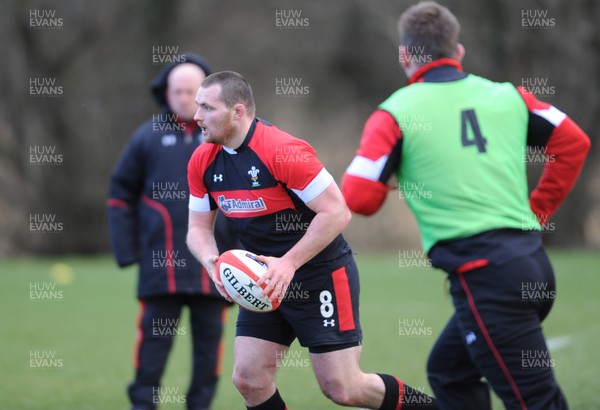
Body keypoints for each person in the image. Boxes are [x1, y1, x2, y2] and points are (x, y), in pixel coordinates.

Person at [342, 2, 591, 409]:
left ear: (405, 56)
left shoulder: (395, 112)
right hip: (530, 266)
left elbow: (357, 198)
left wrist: (395, 177)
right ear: (458, 52)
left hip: (488, 280)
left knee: (537, 403)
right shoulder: (508, 96)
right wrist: (538, 212)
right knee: (449, 372)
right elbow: (573, 142)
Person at [186, 71, 437, 410]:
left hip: (320, 275)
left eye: (206, 107)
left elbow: (337, 212)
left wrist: (289, 263)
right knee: (249, 379)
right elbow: (198, 229)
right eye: (197, 107)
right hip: (263, 280)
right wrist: (212, 262)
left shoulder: (282, 151)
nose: (196, 116)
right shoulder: (202, 161)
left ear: (238, 111)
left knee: (343, 388)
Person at [107, 54, 239, 410]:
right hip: (159, 267)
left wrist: (246, 249)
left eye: (191, 91)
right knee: (152, 347)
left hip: (215, 267)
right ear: (166, 93)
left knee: (208, 350)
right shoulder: (147, 137)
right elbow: (120, 195)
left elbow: (249, 197)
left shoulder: (227, 139)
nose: (184, 98)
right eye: (177, 91)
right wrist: (128, 251)